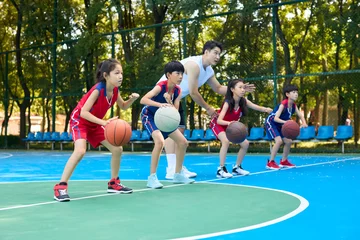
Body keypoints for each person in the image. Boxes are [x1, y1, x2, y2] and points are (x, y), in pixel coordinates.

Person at [159, 40, 255, 179]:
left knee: (179, 131)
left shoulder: (209, 70)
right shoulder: (194, 65)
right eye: (215, 53)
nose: (218, 57)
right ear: (206, 52)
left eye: (219, 54)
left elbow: (217, 88)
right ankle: (171, 169)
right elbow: (193, 92)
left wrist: (237, 89)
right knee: (171, 132)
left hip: (177, 96)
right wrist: (208, 108)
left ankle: (177, 168)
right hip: (164, 94)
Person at [53, 59, 139, 202]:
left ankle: (113, 183)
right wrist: (104, 123)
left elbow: (123, 106)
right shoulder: (98, 90)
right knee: (80, 151)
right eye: (116, 73)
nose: (120, 76)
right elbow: (83, 113)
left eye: (121, 73)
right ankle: (60, 187)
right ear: (106, 75)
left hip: (95, 123)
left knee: (117, 149)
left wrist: (132, 100)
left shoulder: (115, 91)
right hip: (80, 121)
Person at [140, 61, 195, 189]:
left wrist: (169, 101)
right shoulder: (160, 86)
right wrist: (160, 104)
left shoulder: (178, 91)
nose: (181, 76)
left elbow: (174, 111)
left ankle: (178, 174)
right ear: (168, 75)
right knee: (159, 142)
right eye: (178, 73)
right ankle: (152, 178)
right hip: (150, 116)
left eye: (182, 73)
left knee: (183, 142)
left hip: (165, 119)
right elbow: (143, 100)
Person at [210, 79, 272, 178]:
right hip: (218, 124)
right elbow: (219, 121)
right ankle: (221, 169)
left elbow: (255, 107)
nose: (243, 90)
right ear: (232, 89)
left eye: (244, 87)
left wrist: (266, 109)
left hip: (230, 126)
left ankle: (237, 168)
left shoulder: (243, 101)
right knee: (225, 141)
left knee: (245, 144)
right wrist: (230, 123)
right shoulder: (227, 102)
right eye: (240, 87)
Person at [264, 84, 307, 170]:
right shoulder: (283, 104)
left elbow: (300, 115)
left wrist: (304, 123)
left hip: (280, 124)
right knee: (279, 141)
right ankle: (270, 162)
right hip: (271, 122)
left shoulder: (294, 106)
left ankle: (284, 161)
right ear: (287, 94)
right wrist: (287, 122)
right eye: (293, 92)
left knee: (288, 141)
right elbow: (276, 118)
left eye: (297, 92)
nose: (296, 94)